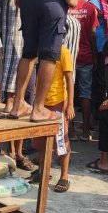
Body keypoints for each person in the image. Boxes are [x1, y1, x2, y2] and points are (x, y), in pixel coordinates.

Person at [34, 44, 75, 193]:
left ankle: (64, 176)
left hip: (58, 102)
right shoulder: (42, 49)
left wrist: (70, 104)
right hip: (41, 102)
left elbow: (70, 79)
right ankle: (42, 171)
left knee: (61, 141)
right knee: (40, 140)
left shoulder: (63, 51)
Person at [68, 0, 98, 140]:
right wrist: (94, 56)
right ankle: (86, 132)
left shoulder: (63, 5)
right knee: (86, 93)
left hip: (67, 57)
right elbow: (93, 34)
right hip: (85, 56)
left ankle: (70, 132)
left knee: (68, 94)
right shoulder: (89, 7)